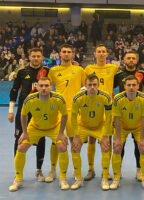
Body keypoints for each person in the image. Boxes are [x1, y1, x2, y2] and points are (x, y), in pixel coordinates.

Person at [9, 77, 69, 191]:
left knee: (62, 146)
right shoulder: (30, 99)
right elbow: (23, 115)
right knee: (21, 147)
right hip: (35, 127)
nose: (44, 88)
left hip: (54, 127)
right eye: (41, 86)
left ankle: (63, 178)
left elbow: (65, 115)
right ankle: (18, 179)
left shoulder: (58, 99)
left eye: (46, 86)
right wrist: (25, 133)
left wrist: (61, 133)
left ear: (51, 87)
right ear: (36, 87)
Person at [46, 44, 85, 183]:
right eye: (64, 52)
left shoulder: (79, 70)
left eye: (69, 52)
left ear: (73, 54)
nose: (67, 54)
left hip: (75, 111)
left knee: (75, 142)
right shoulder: (53, 71)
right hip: (58, 111)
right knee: (55, 142)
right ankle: (52, 169)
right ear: (59, 55)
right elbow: (45, 88)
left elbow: (86, 87)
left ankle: (76, 171)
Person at [8, 48, 49, 182]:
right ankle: (18, 172)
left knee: (41, 139)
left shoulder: (47, 71)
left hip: (40, 111)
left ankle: (39, 170)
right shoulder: (22, 71)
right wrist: (10, 110)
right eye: (33, 56)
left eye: (38, 56)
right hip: (23, 111)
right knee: (19, 139)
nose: (36, 58)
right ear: (29, 57)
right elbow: (14, 91)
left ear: (42, 57)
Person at [71, 74, 112, 190]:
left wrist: (105, 135)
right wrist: (76, 135)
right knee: (75, 148)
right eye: (90, 85)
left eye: (95, 85)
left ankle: (104, 178)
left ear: (98, 85)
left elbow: (109, 117)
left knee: (105, 147)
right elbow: (73, 117)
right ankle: (78, 178)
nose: (92, 87)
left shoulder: (106, 97)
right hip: (83, 126)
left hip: (100, 126)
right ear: (85, 86)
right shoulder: (77, 98)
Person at [83, 44, 118, 182]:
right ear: (95, 54)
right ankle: (91, 169)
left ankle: (106, 170)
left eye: (104, 51)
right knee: (91, 138)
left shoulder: (113, 68)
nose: (102, 54)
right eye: (99, 51)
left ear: (107, 54)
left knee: (107, 139)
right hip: (92, 106)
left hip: (108, 107)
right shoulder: (89, 69)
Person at [110, 75, 144, 191]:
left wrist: (142, 139)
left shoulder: (143, 98)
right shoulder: (118, 98)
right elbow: (116, 119)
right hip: (122, 127)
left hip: (138, 127)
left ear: (138, 86)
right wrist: (118, 138)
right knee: (117, 148)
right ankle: (116, 178)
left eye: (134, 85)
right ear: (124, 87)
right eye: (129, 85)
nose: (131, 87)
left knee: (143, 148)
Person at [113, 51, 144, 181]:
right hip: (122, 114)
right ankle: (118, 170)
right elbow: (110, 88)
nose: (131, 60)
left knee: (139, 144)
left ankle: (139, 170)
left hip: (138, 112)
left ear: (137, 60)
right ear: (124, 60)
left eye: (133, 58)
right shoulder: (118, 74)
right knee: (119, 144)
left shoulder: (143, 74)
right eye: (129, 58)